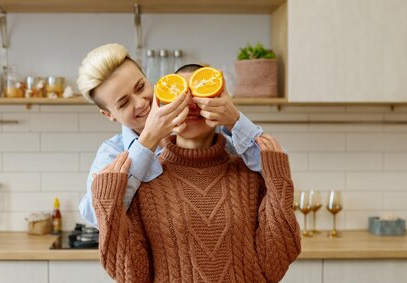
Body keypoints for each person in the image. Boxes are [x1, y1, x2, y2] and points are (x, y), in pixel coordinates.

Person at [90, 64, 301, 283]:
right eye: (180, 94)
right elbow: (133, 280)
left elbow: (274, 267)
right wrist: (107, 200)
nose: (190, 103)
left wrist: (278, 178)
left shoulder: (250, 170)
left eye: (201, 92)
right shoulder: (143, 177)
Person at [77, 43, 269, 228]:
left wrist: (235, 120)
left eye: (140, 87)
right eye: (124, 103)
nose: (141, 103)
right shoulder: (113, 152)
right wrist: (147, 141)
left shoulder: (207, 129)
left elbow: (275, 171)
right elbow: (97, 217)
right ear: (109, 115)